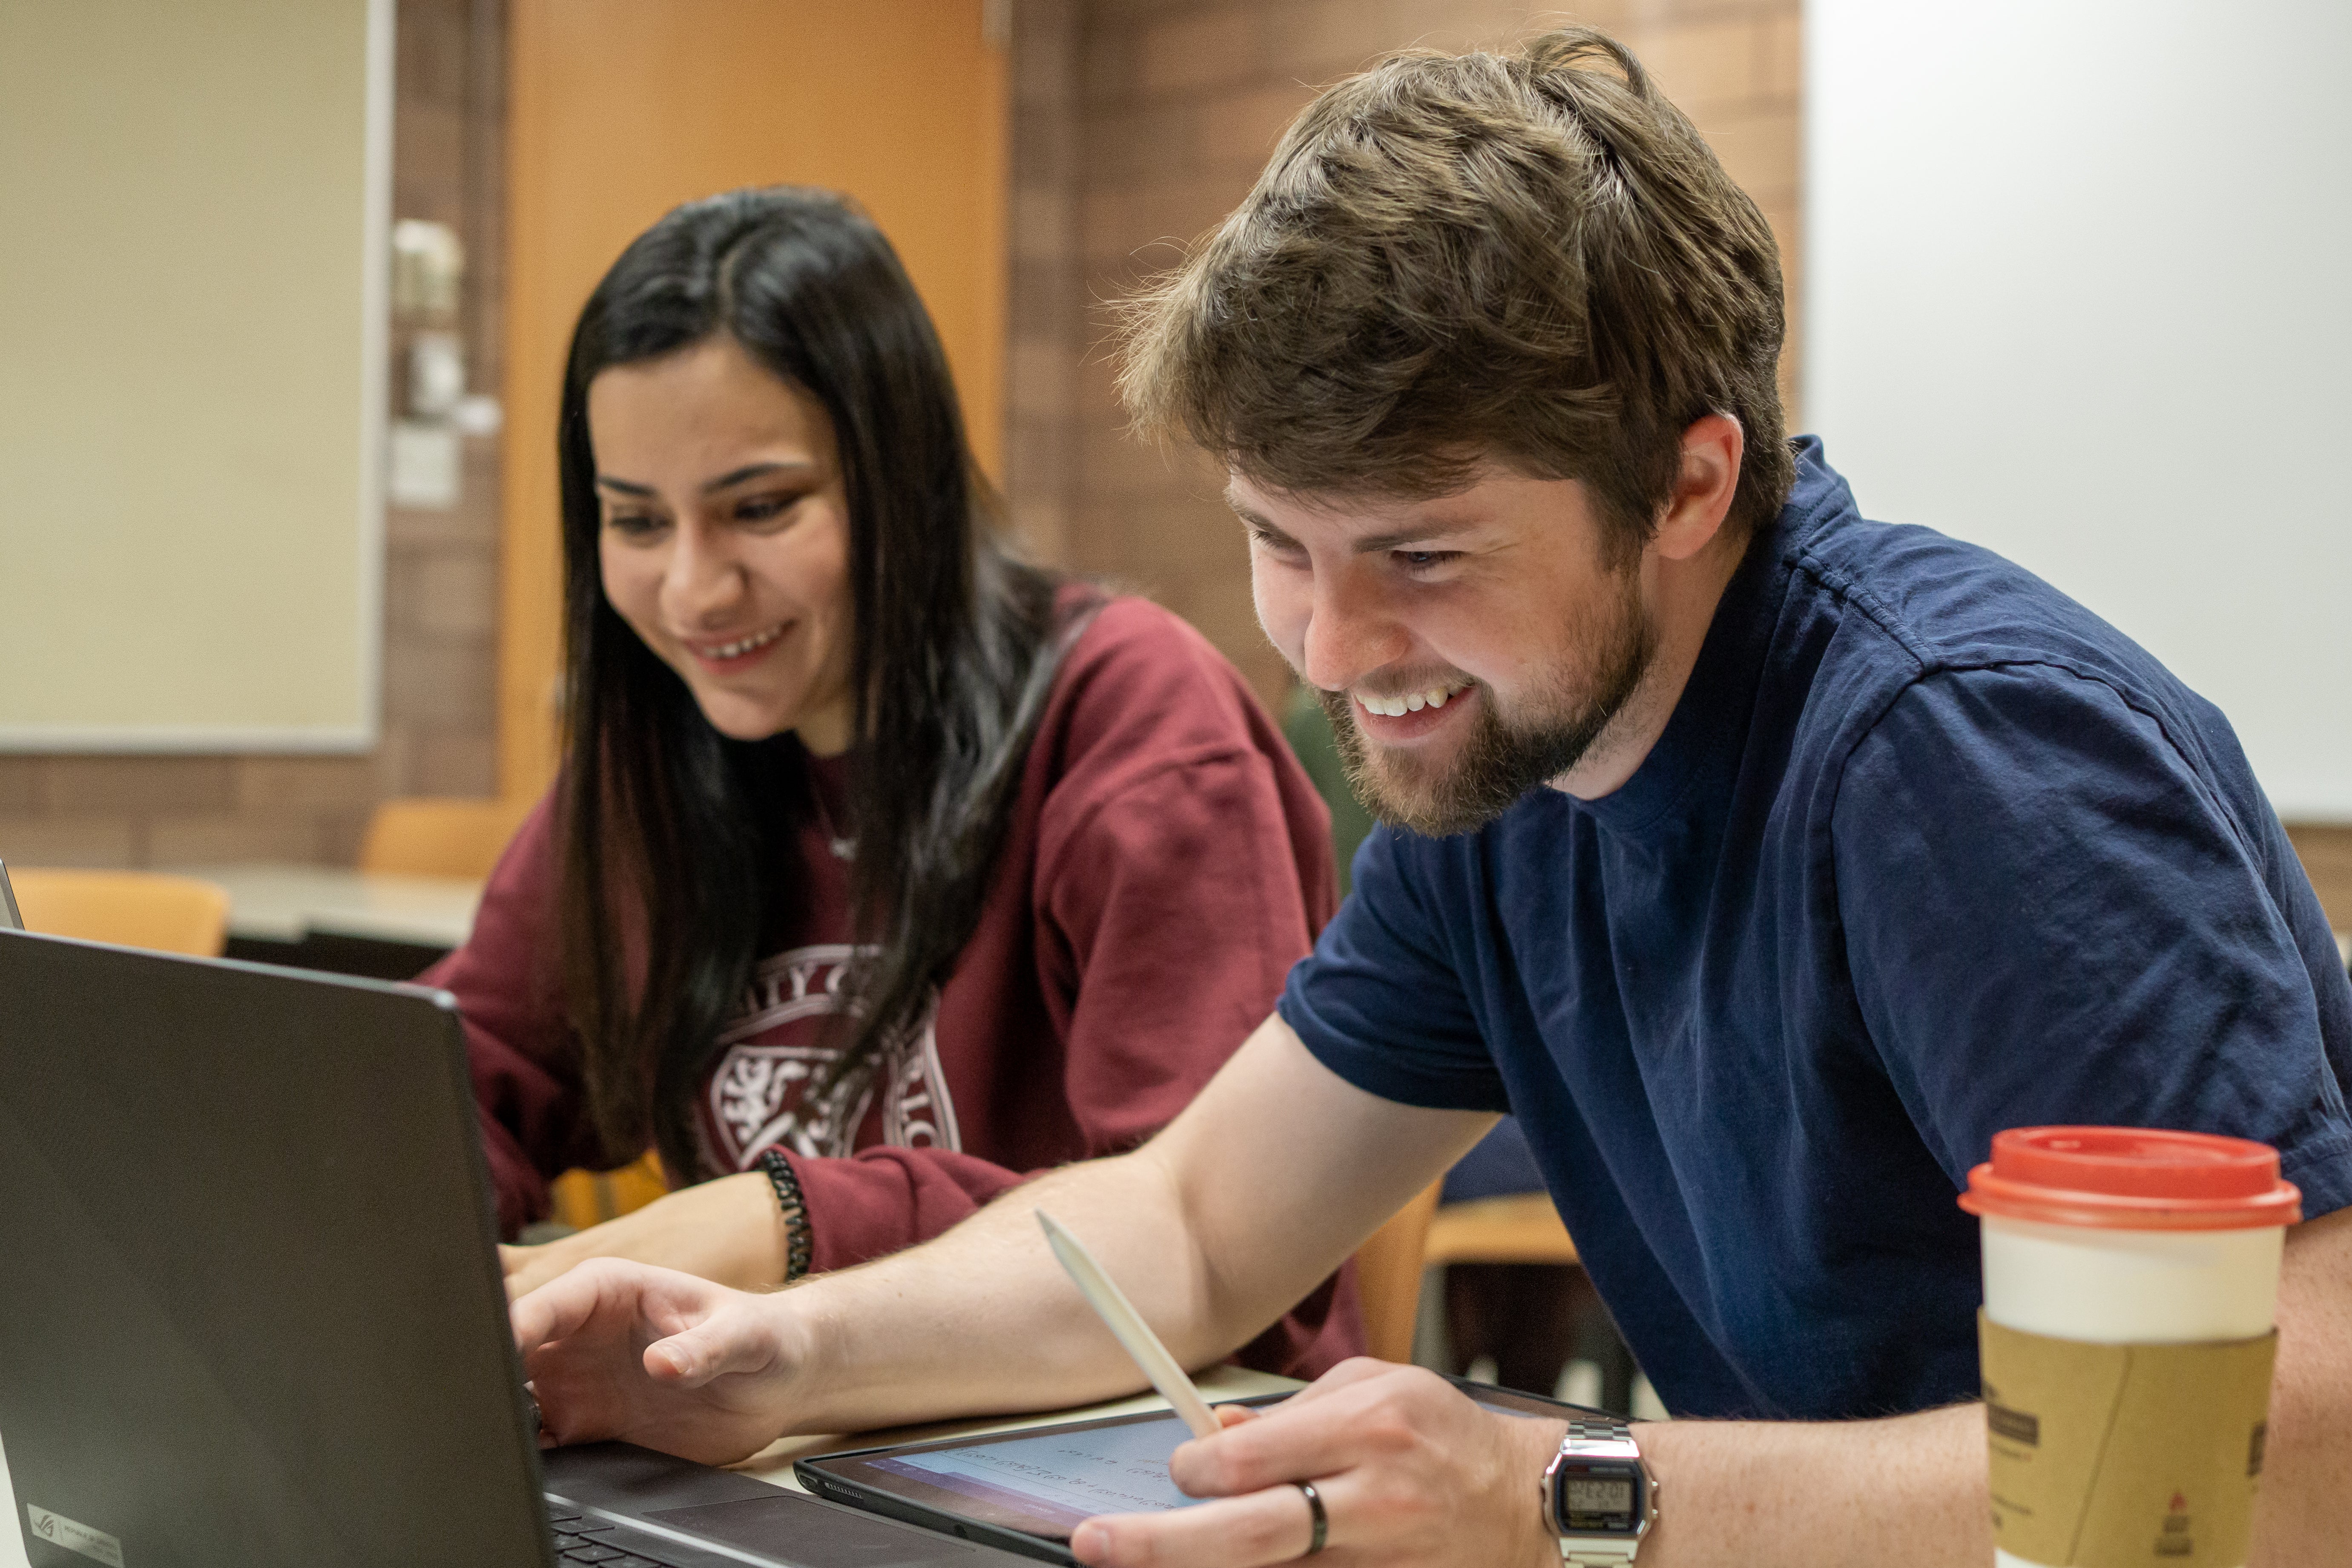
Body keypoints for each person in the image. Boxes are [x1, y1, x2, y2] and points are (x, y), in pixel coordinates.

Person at [505, 33, 2352, 1567]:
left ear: (1690, 481)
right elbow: (1196, 1226)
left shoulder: (1961, 767)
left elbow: (2301, 1445)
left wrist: (1568, 1498)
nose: (1329, 645)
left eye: (1420, 552)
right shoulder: (1508, 770)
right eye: (1274, 546)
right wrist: (767, 1361)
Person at [428, 186, 1359, 1377]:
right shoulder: (655, 759)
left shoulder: (1132, 725)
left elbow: (1218, 1252)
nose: (694, 592)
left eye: (759, 508)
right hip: (773, 1438)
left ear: (901, 479)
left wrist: (785, 1219)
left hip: (1113, 1459)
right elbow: (471, 1078)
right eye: (636, 522)